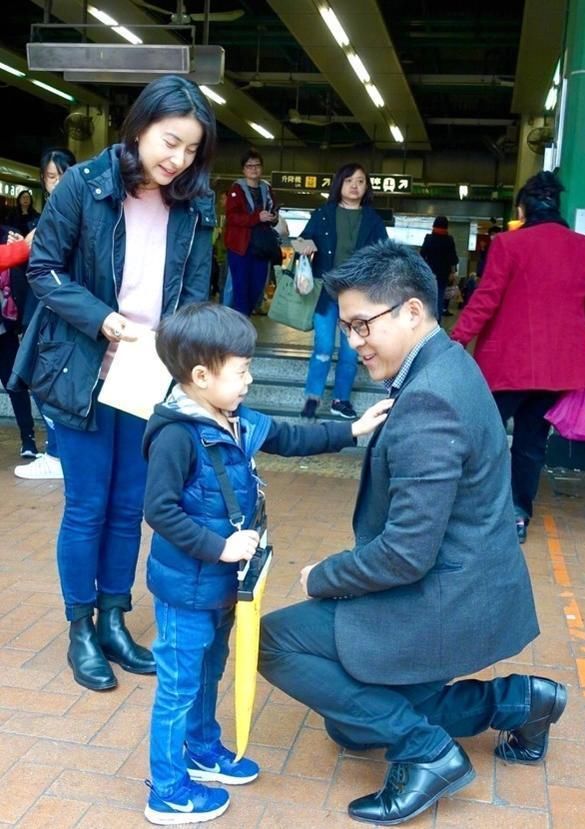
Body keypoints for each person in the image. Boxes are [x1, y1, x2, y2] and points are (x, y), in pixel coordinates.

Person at [259, 239, 566, 826]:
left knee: (276, 643)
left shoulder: (430, 400)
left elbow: (405, 555)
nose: (354, 341)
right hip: (470, 580)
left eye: (362, 324)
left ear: (412, 311)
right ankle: (520, 701)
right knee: (350, 721)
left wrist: (324, 577)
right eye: (346, 327)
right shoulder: (447, 362)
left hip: (444, 597)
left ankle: (426, 756)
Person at [142, 302, 391, 825]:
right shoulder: (176, 434)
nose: (250, 381)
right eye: (242, 371)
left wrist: (352, 432)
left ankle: (201, 750)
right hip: (187, 588)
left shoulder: (234, 419)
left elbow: (291, 438)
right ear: (202, 376)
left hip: (221, 587)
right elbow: (158, 510)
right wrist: (218, 546)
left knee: (209, 672)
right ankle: (166, 790)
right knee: (178, 686)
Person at [10, 74, 217, 692]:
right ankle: (81, 627)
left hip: (148, 373)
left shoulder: (193, 204)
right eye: (169, 141)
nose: (175, 160)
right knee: (88, 505)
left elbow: (197, 292)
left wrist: (180, 349)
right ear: (142, 124)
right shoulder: (84, 184)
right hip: (81, 367)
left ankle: (113, 617)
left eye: (189, 152)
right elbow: (43, 270)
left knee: (132, 505)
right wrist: (103, 320)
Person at [451, 172, 585, 542]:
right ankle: (518, 514)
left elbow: (486, 299)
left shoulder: (509, 244)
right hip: (557, 369)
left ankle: (465, 507)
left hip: (507, 363)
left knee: (481, 435)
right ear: (557, 206)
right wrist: (564, 320)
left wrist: (456, 339)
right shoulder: (584, 247)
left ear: (523, 209)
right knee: (531, 442)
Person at [296, 162, 388, 420]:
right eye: (349, 181)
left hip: (358, 298)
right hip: (326, 294)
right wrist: (303, 245)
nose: (355, 186)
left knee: (351, 351)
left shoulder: (372, 220)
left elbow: (384, 254)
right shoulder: (323, 214)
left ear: (366, 187)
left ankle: (340, 400)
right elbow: (301, 239)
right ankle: (312, 398)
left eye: (360, 181)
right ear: (339, 184)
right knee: (323, 348)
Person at [14, 147, 77, 481]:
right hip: (42, 306)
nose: (56, 183)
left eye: (63, 175)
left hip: (64, 308)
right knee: (40, 379)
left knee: (47, 380)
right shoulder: (48, 213)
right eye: (51, 177)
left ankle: (57, 453)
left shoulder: (76, 212)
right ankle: (57, 452)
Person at [224, 149, 278, 316]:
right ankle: (240, 323)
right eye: (249, 166)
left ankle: (244, 318)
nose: (254, 169)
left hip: (261, 246)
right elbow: (232, 216)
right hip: (240, 246)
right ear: (243, 170)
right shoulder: (236, 189)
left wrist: (273, 217)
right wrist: (256, 218)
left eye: (257, 165)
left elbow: (273, 209)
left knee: (257, 286)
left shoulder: (267, 188)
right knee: (240, 287)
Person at [0, 228, 39, 458]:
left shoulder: (6, 233)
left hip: (5, 331)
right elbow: (9, 256)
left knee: (16, 384)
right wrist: (24, 246)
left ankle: (28, 439)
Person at [419, 215, 458, 320]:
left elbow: (422, 255)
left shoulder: (429, 238)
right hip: (443, 274)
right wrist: (453, 272)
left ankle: (427, 319)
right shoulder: (449, 240)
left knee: (428, 296)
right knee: (439, 297)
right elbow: (453, 257)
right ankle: (437, 321)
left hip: (429, 273)